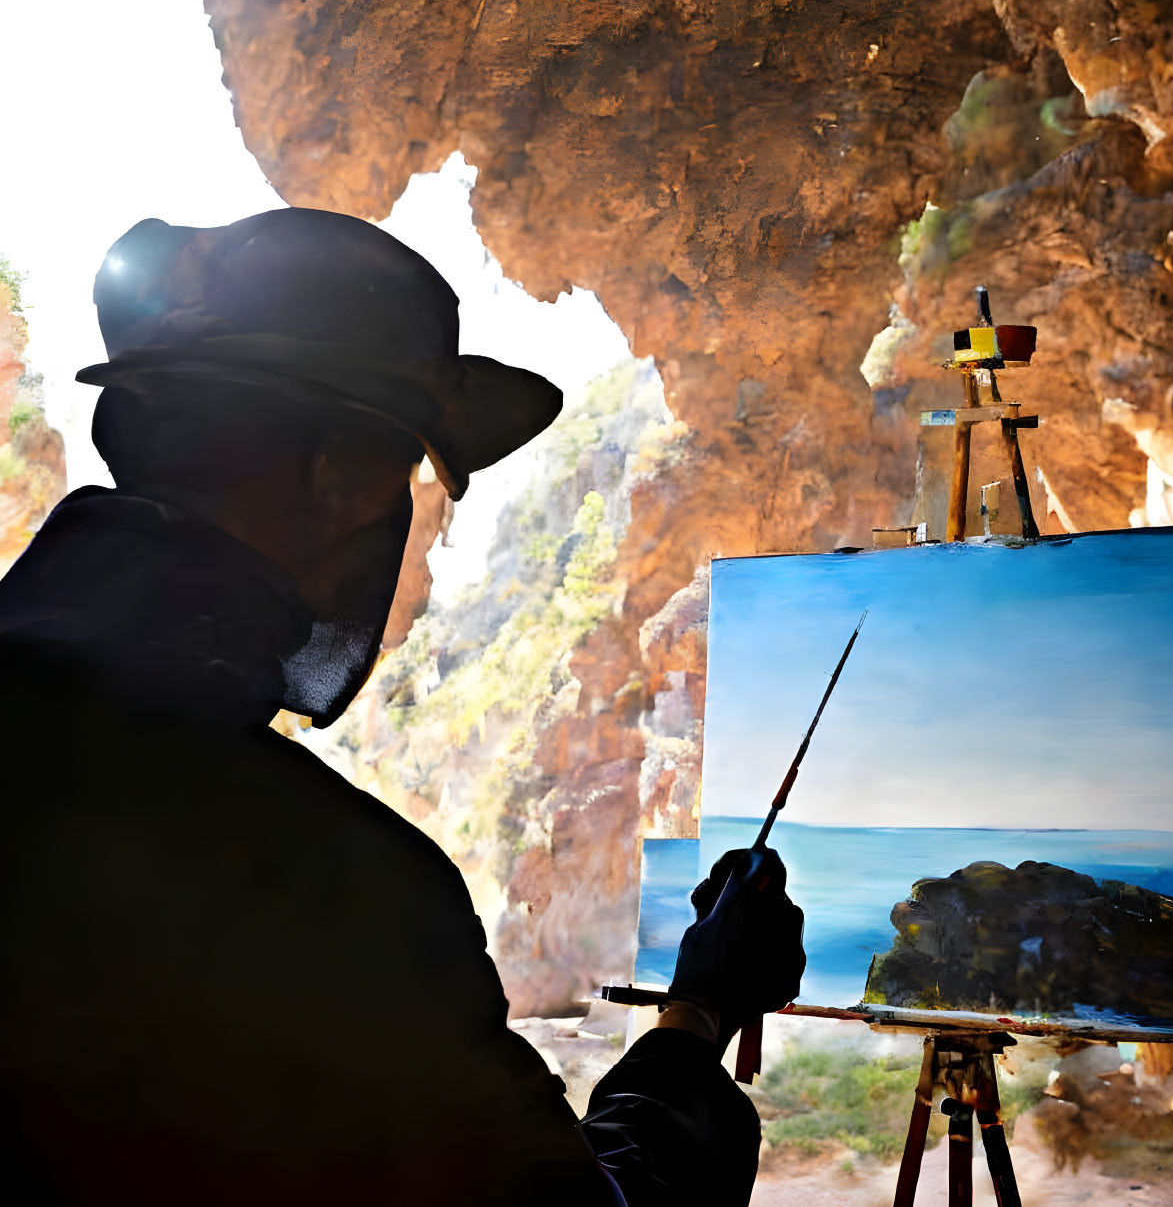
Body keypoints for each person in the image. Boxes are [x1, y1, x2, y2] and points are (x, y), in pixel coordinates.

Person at [0, 208, 805, 1205]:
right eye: (410, 473)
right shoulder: (329, 891)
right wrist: (694, 1020)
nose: (410, 515)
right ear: (336, 473)